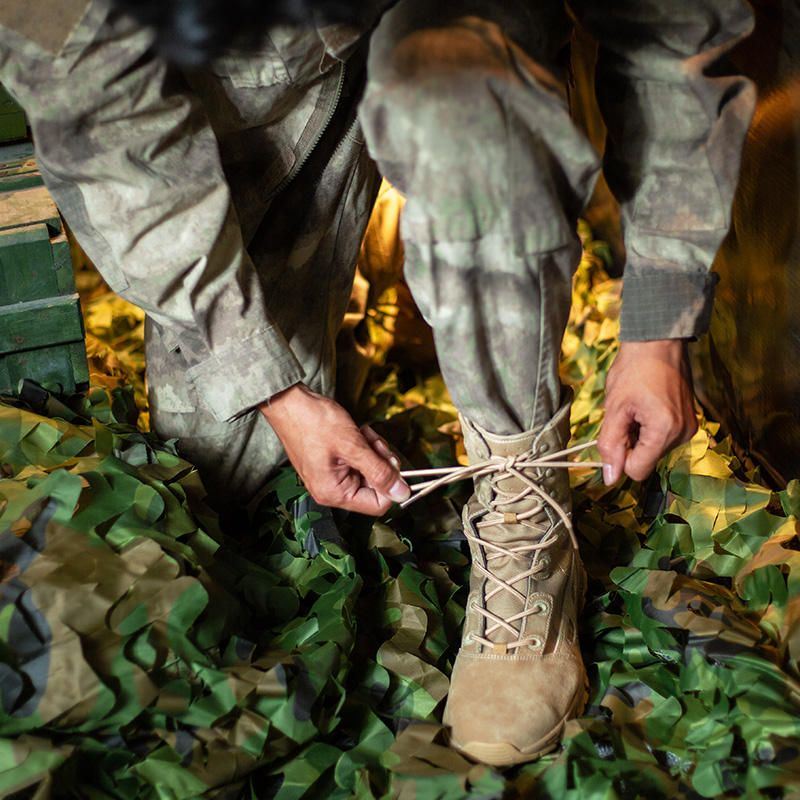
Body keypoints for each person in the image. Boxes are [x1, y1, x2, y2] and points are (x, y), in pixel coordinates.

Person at [0, 0, 755, 765]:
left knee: (455, 97)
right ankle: (395, 260)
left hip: (472, 40)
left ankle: (525, 505)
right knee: (228, 478)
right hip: (256, 73)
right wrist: (279, 395)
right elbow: (100, 123)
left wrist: (660, 323)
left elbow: (667, 31)